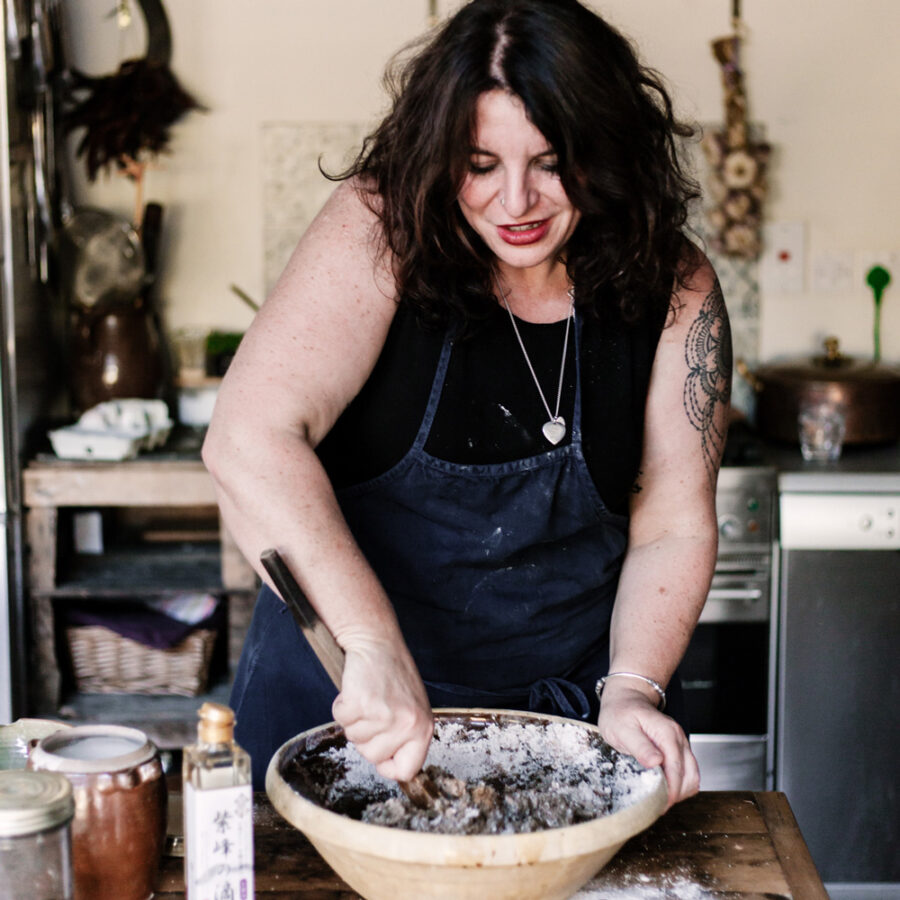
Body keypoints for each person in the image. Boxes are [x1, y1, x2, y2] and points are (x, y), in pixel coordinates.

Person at [202, 0, 731, 808]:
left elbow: (674, 522)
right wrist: (371, 644)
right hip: (357, 704)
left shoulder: (675, 286)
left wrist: (634, 687)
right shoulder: (385, 232)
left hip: (577, 721)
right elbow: (248, 438)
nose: (515, 200)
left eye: (552, 161)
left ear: (608, 149)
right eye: (479, 163)